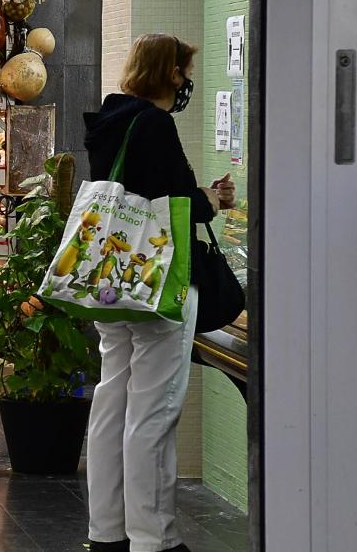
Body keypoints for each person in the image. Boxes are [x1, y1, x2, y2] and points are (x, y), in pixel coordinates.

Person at [83, 34, 236, 552]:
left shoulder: (110, 122)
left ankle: (105, 531)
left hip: (110, 278)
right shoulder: (155, 124)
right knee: (153, 410)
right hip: (159, 280)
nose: (188, 81)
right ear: (172, 74)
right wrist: (211, 198)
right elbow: (174, 204)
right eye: (185, 71)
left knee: (112, 401)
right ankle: (153, 538)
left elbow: (135, 192)